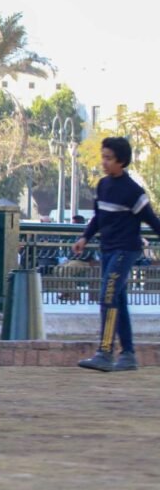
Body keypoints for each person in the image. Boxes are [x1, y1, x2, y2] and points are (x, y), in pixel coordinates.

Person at [74, 137, 160, 372]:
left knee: (108, 296)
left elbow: (152, 221)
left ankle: (105, 351)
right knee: (118, 299)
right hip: (108, 249)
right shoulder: (103, 186)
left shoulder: (134, 191)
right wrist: (84, 237)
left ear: (121, 161)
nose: (103, 162)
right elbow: (97, 218)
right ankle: (129, 354)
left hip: (126, 250)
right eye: (103, 157)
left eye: (108, 158)